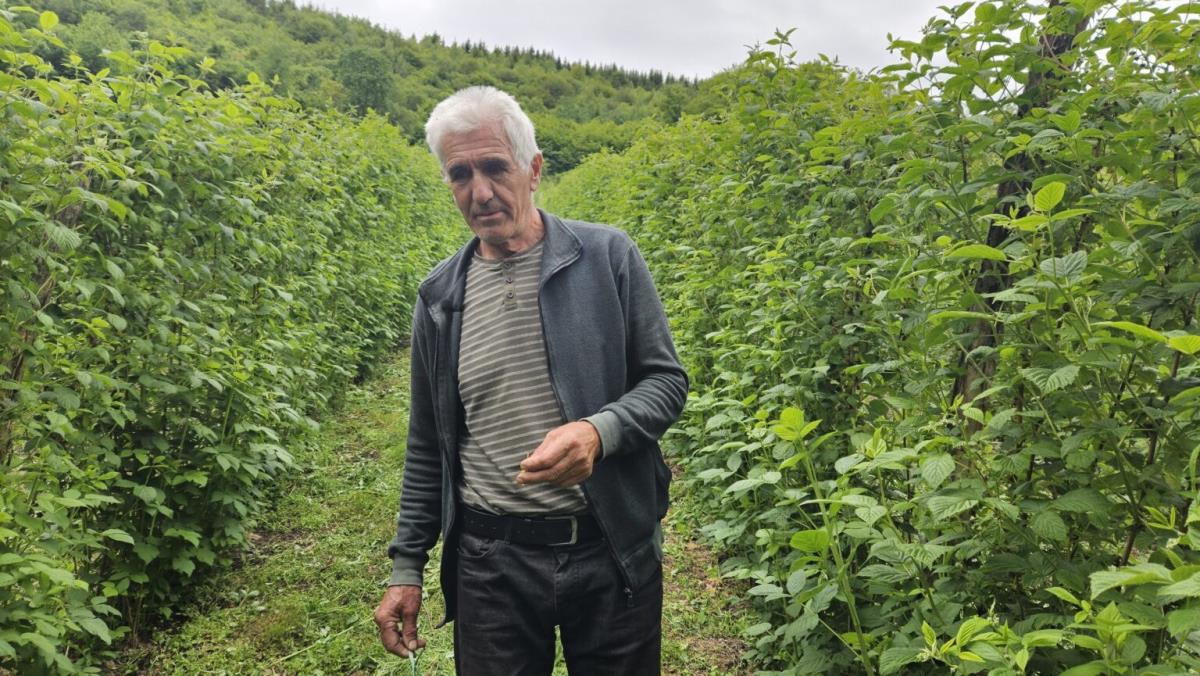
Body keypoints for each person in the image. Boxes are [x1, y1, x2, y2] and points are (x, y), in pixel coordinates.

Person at [373, 85, 688, 675]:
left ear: (534, 169)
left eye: (496, 167)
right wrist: (406, 568)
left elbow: (665, 381)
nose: (481, 191)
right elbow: (426, 446)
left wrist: (599, 432)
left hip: (611, 546)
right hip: (492, 563)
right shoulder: (440, 298)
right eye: (460, 173)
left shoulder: (608, 257)